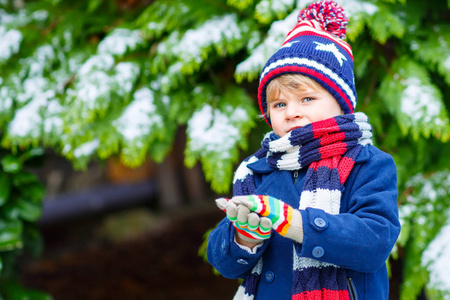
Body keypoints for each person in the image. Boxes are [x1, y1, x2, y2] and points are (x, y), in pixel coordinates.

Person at [206, 1, 400, 299]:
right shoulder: (255, 169)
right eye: (279, 104)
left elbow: (374, 241)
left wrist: (295, 223)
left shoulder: (367, 164)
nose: (291, 112)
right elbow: (226, 265)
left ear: (341, 103)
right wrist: (244, 239)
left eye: (307, 99)